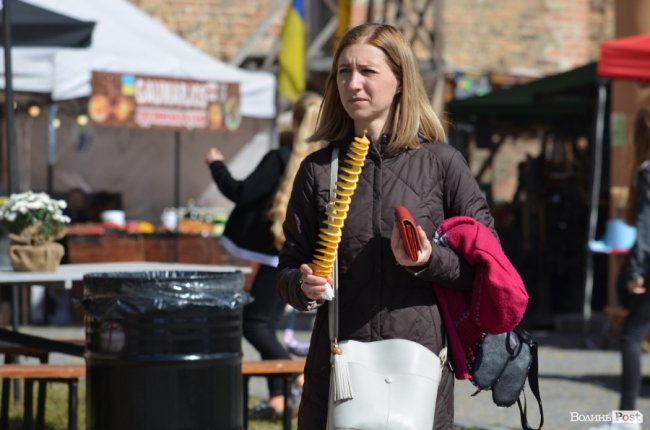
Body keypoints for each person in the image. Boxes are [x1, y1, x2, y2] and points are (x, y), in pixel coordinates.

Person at [277, 23, 496, 429]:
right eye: (343, 71)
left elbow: (487, 266)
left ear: (399, 80)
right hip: (339, 362)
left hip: (417, 362)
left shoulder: (441, 164)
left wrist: (429, 261)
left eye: (367, 72)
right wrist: (301, 285)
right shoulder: (319, 170)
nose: (353, 83)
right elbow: (289, 265)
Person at [205, 91, 324, 419]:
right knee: (264, 323)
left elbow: (241, 192)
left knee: (253, 323)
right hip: (298, 256)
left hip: (277, 256)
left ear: (296, 122)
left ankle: (299, 377)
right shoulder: (326, 164)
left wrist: (216, 165)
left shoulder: (281, 158)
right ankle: (279, 399)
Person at [592, 107, 650, 430]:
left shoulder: (647, 171)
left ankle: (627, 418)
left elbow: (645, 226)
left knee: (630, 337)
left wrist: (636, 270)